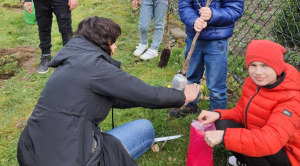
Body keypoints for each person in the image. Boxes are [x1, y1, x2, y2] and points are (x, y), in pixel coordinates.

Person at [17, 16, 200, 166]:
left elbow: (117, 98)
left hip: (31, 151)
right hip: (72, 158)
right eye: (114, 42)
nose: (115, 47)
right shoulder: (96, 67)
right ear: (105, 41)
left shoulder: (71, 60)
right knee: (145, 128)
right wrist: (183, 96)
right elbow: (144, 93)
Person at [169, 0, 244, 117]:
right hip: (194, 37)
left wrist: (213, 14)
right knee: (191, 75)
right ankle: (190, 103)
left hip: (216, 42)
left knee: (216, 83)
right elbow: (184, 6)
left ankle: (218, 116)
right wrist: (193, 20)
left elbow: (236, 9)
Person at [198, 40, 300, 166]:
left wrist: (225, 136)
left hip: (288, 154)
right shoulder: (253, 83)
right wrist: (218, 115)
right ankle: (247, 162)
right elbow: (241, 111)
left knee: (243, 141)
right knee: (222, 124)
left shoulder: (291, 98)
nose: (258, 72)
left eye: (265, 65)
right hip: (261, 137)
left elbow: (272, 140)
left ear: (277, 67)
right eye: (253, 65)